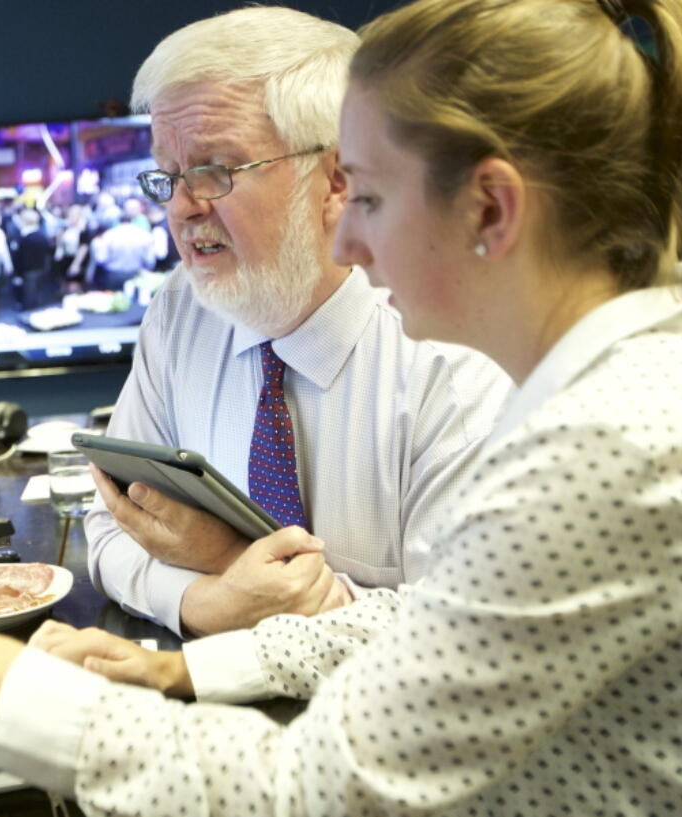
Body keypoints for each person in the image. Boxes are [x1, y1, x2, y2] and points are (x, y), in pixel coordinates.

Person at [0, 0, 682, 813]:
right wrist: (199, 639)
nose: (349, 237)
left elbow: (317, 788)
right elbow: (427, 635)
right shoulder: (622, 388)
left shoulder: (600, 447)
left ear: (491, 212)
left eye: (369, 196)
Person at [84, 7, 511, 638]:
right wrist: (207, 600)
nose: (180, 207)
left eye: (214, 170)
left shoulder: (454, 358)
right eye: (168, 176)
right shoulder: (182, 308)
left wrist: (241, 570)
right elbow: (109, 521)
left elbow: (468, 643)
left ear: (335, 179)